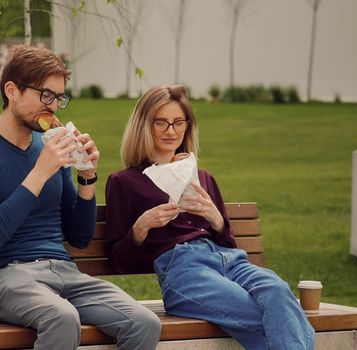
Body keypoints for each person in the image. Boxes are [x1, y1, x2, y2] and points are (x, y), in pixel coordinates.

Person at [0, 45, 160, 350]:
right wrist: (39, 172)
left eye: (59, 98)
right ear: (12, 90)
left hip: (63, 272)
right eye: (46, 95)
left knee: (143, 322)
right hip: (1, 277)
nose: (53, 107)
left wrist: (86, 176)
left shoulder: (49, 146)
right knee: (62, 317)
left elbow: (79, 236)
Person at [105, 85, 314, 349]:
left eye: (179, 122)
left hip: (228, 261)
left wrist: (216, 219)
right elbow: (117, 261)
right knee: (276, 317)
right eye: (161, 122)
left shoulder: (202, 177)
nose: (171, 131)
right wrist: (141, 227)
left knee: (278, 291)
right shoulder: (124, 181)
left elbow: (228, 243)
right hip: (183, 269)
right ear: (144, 126)